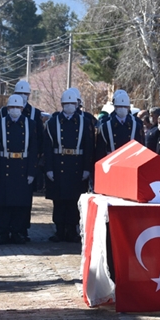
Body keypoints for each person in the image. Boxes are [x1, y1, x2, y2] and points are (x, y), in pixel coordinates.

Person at [44, 88, 95, 243]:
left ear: (77, 104)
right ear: (62, 104)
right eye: (66, 104)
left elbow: (89, 147)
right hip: (58, 165)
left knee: (74, 201)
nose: (69, 106)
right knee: (58, 201)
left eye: (72, 103)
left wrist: (87, 168)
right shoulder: (52, 122)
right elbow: (47, 147)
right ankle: (59, 231)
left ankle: (72, 231)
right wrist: (49, 168)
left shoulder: (84, 122)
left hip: (76, 166)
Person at [0, 94, 39, 245]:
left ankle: (18, 232)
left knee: (20, 203)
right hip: (5, 166)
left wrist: (31, 172)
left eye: (17, 107)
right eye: (12, 107)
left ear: (23, 109)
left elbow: (33, 150)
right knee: (4, 204)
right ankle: (3, 233)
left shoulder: (30, 124)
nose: (15, 110)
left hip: (22, 167)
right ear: (7, 108)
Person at [95, 89, 144, 160]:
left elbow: (141, 147)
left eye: (125, 107)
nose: (122, 109)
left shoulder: (136, 125)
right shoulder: (105, 126)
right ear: (115, 107)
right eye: (120, 106)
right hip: (111, 161)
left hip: (130, 161)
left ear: (128, 108)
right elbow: (100, 150)